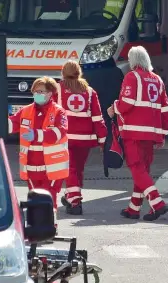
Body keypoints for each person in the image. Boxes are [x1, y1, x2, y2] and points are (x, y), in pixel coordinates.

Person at [107, 46, 168, 221]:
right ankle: (134, 208)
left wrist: (114, 108)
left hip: (134, 132)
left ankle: (157, 204)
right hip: (151, 133)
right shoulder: (157, 80)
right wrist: (162, 134)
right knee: (143, 171)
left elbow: (127, 103)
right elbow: (165, 110)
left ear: (133, 61)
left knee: (137, 169)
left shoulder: (132, 77)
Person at [9, 77, 69, 221]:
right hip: (31, 167)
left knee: (49, 199)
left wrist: (36, 134)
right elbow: (11, 124)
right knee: (34, 199)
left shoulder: (59, 112)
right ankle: (36, 229)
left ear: (50, 93)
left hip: (51, 168)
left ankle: (50, 228)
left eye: (41, 91)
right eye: (35, 91)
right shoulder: (26, 111)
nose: (37, 94)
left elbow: (59, 132)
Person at [54, 60, 107, 215]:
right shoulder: (90, 91)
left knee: (69, 168)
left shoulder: (57, 89)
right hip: (85, 138)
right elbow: (98, 118)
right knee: (78, 168)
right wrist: (103, 139)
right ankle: (70, 195)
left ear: (63, 73)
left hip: (65, 137)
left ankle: (75, 200)